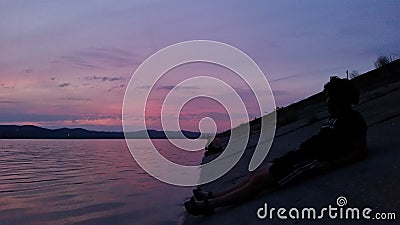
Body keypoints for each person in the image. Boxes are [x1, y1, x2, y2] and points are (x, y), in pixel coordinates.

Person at [184, 76, 368, 216]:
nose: (326, 101)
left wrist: (330, 164)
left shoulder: (353, 119)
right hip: (300, 154)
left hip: (311, 160)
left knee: (259, 182)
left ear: (340, 98)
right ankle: (213, 195)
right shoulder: (334, 118)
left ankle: (210, 206)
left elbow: (359, 152)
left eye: (329, 96)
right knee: (256, 173)